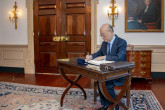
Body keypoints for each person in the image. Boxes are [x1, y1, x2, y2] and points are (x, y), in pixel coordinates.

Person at [86, 24, 127, 110]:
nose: (102, 37)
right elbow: (98, 53)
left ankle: (113, 106)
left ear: (111, 32)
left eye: (103, 35)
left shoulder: (122, 42)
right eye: (101, 35)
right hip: (107, 71)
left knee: (106, 83)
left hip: (119, 73)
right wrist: (91, 56)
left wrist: (104, 57)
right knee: (99, 81)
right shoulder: (104, 43)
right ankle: (105, 104)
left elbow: (119, 57)